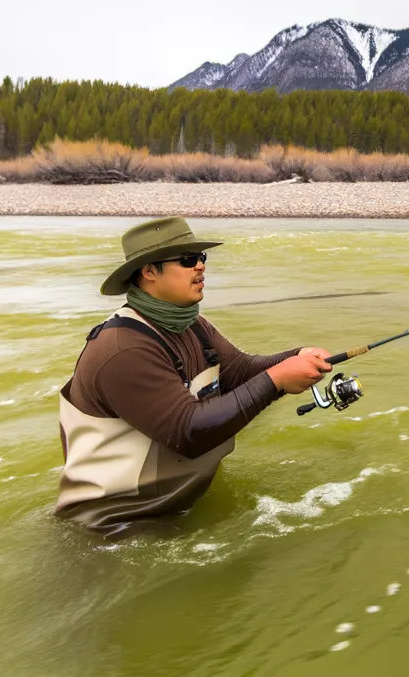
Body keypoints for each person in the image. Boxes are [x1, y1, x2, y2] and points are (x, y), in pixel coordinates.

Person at [55, 217, 334, 533]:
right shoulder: (122, 349)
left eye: (201, 257)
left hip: (173, 509)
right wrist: (278, 379)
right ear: (149, 271)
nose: (200, 266)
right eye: (188, 259)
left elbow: (239, 373)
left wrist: (297, 357)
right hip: (112, 528)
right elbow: (188, 433)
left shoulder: (194, 326)